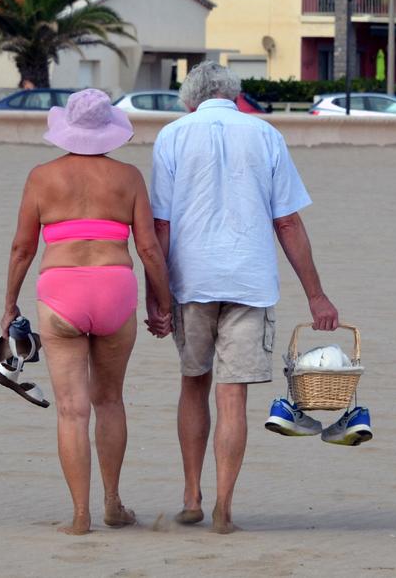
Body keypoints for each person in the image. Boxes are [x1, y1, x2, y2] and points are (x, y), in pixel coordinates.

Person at [147, 61, 339, 534]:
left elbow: (161, 226)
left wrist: (156, 295)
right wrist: (317, 296)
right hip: (250, 282)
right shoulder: (266, 135)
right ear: (235, 96)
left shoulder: (171, 135)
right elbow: (287, 222)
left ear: (190, 99)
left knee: (194, 383)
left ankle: (191, 495)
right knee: (232, 398)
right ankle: (224, 508)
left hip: (189, 281)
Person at [1, 88, 172, 535]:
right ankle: (114, 504)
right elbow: (149, 248)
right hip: (115, 289)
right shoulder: (130, 177)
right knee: (110, 400)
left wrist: (9, 305)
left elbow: (22, 248)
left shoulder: (41, 178)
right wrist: (164, 303)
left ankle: (80, 515)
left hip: (60, 293)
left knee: (71, 411)